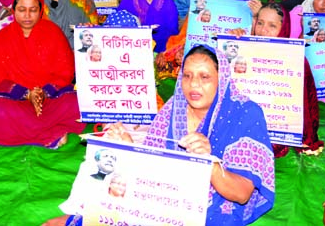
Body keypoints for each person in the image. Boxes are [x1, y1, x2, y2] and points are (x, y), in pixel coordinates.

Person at [102, 46, 274, 225]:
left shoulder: (245, 113)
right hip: (166, 197)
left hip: (217, 206)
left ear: (221, 79)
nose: (193, 84)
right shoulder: (173, 108)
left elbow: (242, 194)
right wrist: (128, 148)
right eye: (187, 75)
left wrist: (209, 163)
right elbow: (151, 171)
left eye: (204, 77)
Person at [0, 0, 85, 147]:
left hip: (51, 99)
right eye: (22, 10)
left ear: (40, 10)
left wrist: (42, 94)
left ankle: (34, 132)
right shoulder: (3, 37)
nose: (27, 15)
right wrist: (26, 94)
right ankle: (50, 134)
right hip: (15, 101)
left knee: (77, 103)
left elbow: (66, 72)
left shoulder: (54, 32)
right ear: (13, 10)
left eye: (33, 10)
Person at [230, 3, 323, 157]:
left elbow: (306, 104)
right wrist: (231, 41)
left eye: (272, 25)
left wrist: (306, 137)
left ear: (284, 28)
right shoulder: (243, 48)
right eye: (260, 23)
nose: (263, 30)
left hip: (276, 126)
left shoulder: (295, 59)